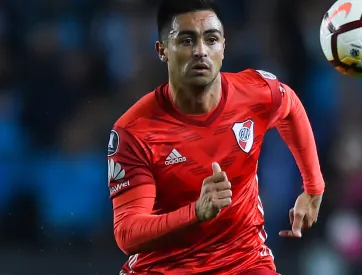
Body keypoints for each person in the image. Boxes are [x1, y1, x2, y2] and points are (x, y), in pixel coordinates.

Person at [107, 0, 325, 274]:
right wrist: (197, 211)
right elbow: (127, 234)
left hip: (244, 262)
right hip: (164, 269)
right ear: (162, 50)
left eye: (211, 39)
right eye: (187, 41)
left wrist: (313, 187)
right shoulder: (135, 131)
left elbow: (289, 104)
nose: (201, 51)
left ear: (224, 46)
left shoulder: (255, 93)